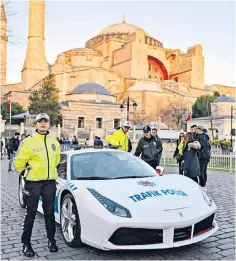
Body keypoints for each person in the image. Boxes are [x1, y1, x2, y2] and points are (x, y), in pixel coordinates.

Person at [14, 113, 60, 257]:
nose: (43, 124)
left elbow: (57, 160)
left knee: (49, 213)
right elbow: (19, 162)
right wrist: (26, 175)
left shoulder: (54, 141)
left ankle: (51, 240)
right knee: (31, 214)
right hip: (33, 183)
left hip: (49, 183)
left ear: (49, 124)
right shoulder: (29, 142)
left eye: (45, 121)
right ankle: (26, 243)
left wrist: (51, 174)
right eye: (40, 121)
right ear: (36, 124)